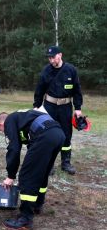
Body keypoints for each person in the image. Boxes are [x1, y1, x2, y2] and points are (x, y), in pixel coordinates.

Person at [0, 108, 65, 230]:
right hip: (58, 134)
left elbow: (14, 149)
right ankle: (37, 205)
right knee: (41, 172)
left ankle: (25, 219)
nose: (5, 133)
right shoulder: (22, 116)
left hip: (45, 135)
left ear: (2, 124)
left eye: (2, 131)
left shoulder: (9, 120)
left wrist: (10, 176)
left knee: (27, 176)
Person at [33, 46, 83, 175]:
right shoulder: (46, 71)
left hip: (66, 107)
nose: (51, 60)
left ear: (60, 55)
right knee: (48, 134)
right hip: (49, 106)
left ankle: (66, 163)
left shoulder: (71, 70)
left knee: (66, 135)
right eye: (49, 58)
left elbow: (77, 91)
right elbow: (39, 89)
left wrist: (78, 108)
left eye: (53, 57)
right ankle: (49, 164)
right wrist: (36, 106)